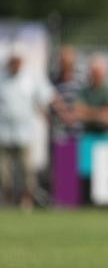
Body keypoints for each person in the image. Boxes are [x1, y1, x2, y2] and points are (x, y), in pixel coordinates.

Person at [0, 50, 56, 208]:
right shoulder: (2, 79)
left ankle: (27, 200)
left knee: (27, 170)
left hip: (24, 133)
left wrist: (48, 117)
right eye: (12, 61)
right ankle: (7, 200)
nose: (15, 64)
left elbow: (44, 98)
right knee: (4, 173)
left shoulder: (30, 78)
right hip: (3, 133)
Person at [78, 55, 108, 134]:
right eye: (92, 72)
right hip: (89, 135)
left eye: (96, 73)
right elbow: (79, 113)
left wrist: (89, 113)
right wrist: (100, 114)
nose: (93, 75)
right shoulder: (84, 90)